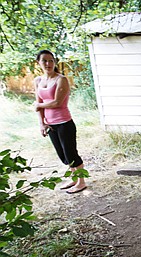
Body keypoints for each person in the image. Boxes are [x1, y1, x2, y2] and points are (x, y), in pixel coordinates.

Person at [33, 50, 87, 194]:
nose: (48, 63)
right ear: (38, 62)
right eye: (44, 60)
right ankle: (74, 179)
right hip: (50, 125)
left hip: (64, 123)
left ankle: (81, 182)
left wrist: (39, 105)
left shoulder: (60, 79)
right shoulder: (38, 81)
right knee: (63, 156)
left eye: (51, 60)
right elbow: (38, 103)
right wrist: (42, 123)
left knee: (71, 154)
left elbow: (57, 102)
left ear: (55, 62)